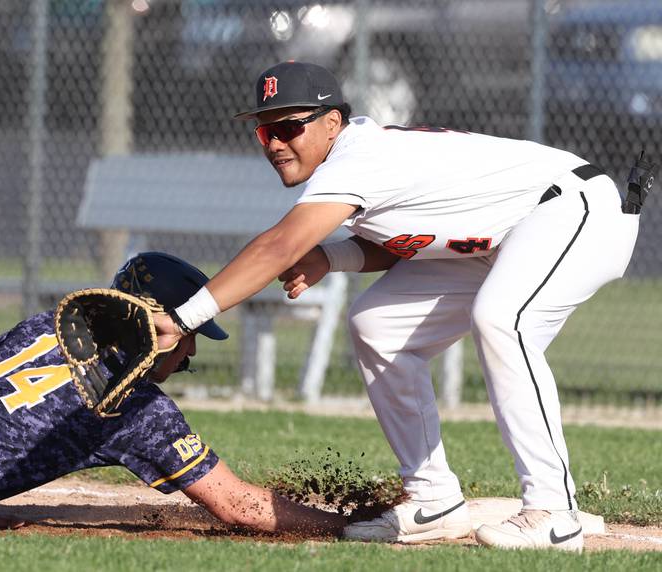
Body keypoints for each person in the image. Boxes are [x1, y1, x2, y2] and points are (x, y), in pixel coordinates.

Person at [153, 61, 642, 552]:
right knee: (378, 324)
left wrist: (183, 319)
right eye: (265, 132)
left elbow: (278, 246)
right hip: (503, 235)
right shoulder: (355, 160)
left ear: (332, 123)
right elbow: (411, 238)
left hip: (574, 208)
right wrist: (332, 256)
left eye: (288, 127)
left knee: (502, 320)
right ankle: (433, 503)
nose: (276, 143)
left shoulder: (357, 159)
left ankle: (554, 512)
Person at [0, 251, 347, 535]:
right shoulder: (135, 406)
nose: (190, 353)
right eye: (190, 333)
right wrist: (347, 524)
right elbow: (238, 504)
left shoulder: (45, 325)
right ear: (162, 326)